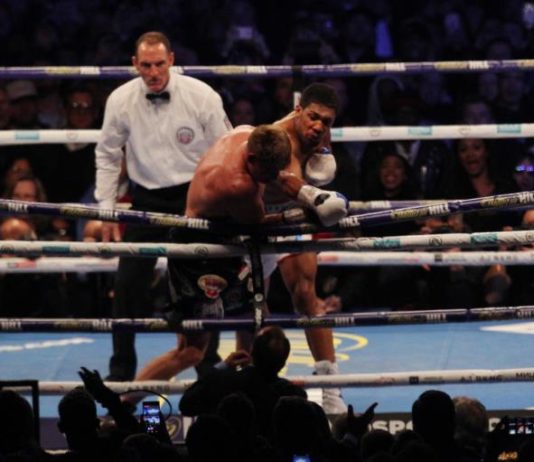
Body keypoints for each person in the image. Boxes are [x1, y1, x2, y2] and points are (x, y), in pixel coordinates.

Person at [131, 123, 347, 388]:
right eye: (265, 174)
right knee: (191, 351)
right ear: (252, 159)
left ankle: (243, 392)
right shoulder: (238, 185)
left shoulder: (246, 134)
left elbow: (278, 169)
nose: (268, 180)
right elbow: (258, 223)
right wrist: (296, 214)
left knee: (253, 322)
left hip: (224, 246)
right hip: (200, 255)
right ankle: (125, 400)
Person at [95, 31, 232, 381]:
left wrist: (220, 202)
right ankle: (120, 371)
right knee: (127, 284)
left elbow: (226, 150)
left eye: (159, 64)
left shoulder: (201, 95)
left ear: (171, 60)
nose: (153, 72)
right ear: (135, 64)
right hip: (145, 200)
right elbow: (107, 154)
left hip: (195, 198)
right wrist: (106, 208)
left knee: (204, 285)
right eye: (146, 65)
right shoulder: (121, 100)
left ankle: (208, 370)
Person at [266, 82, 348, 414]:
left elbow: (317, 177)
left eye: (326, 122)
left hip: (293, 214)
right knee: (253, 302)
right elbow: (291, 182)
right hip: (257, 215)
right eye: (313, 117)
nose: (318, 126)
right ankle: (258, 382)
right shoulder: (278, 137)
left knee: (305, 294)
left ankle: (330, 387)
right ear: (298, 110)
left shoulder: (320, 134)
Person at [179, 325, 307, 439]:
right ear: (283, 362)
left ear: (251, 352)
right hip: (268, 454)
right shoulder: (293, 395)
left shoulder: (224, 381)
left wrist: (222, 366)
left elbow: (186, 404)